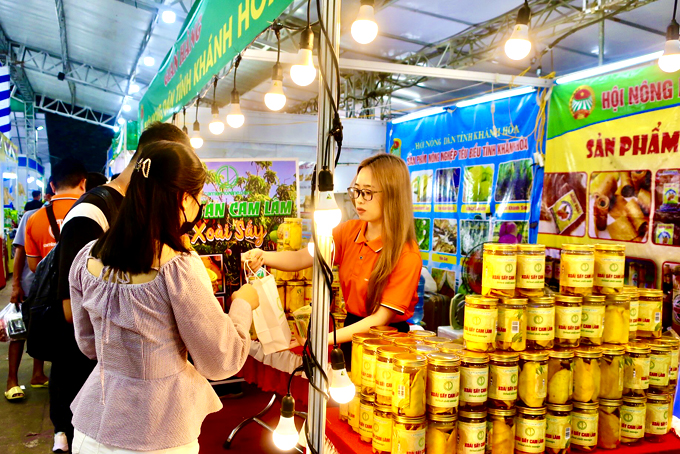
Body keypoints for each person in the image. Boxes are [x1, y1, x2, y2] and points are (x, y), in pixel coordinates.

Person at [68, 140, 258, 454]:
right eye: (199, 198)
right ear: (185, 199)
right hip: (157, 432)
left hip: (93, 428)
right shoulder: (178, 266)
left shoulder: (88, 257)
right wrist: (242, 304)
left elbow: (88, 343)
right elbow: (221, 361)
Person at [49, 122, 194, 453]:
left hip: (125, 391)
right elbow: (72, 310)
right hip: (90, 383)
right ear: (150, 163)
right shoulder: (91, 212)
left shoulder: (135, 211)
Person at [243, 154, 421, 367]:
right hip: (350, 332)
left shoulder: (406, 254)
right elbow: (303, 256)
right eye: (356, 191)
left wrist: (322, 339)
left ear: (393, 194)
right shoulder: (348, 231)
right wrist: (263, 256)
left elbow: (379, 319)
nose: (359, 199)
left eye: (368, 192)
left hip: (387, 344)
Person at [4, 209, 49, 401]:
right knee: (18, 332)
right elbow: (20, 251)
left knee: (40, 331)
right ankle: (11, 381)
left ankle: (37, 374)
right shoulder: (32, 216)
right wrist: (15, 285)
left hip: (49, 286)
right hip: (29, 284)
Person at [25, 158, 87, 272]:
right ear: (83, 183)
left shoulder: (34, 219)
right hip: (85, 288)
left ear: (52, 186)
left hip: (51, 287)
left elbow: (34, 266)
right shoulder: (94, 212)